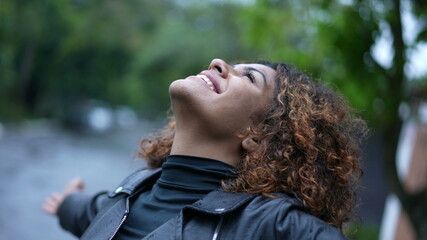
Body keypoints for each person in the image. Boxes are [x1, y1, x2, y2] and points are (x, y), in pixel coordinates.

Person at [43, 59, 367, 239]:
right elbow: (82, 210)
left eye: (249, 77)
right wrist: (65, 203)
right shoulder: (123, 197)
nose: (218, 62)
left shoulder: (272, 226)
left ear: (258, 134)